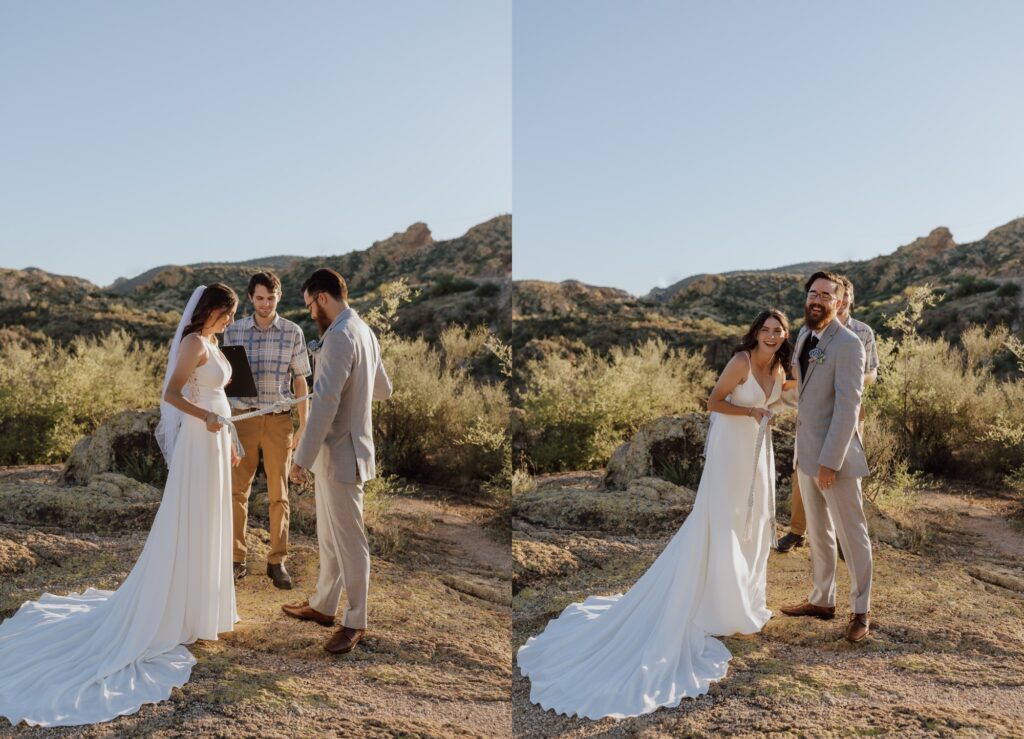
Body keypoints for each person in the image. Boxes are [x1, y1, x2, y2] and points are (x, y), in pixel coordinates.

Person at [517, 309, 792, 720]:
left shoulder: (781, 365)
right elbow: (713, 402)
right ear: (755, 332)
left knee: (748, 525)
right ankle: (713, 604)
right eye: (765, 330)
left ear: (784, 335)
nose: (770, 336)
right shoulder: (741, 361)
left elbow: (789, 394)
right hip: (731, 453)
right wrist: (751, 412)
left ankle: (739, 603)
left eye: (778, 331)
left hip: (757, 455)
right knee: (720, 524)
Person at [0, 284, 241, 728]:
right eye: (226, 314)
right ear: (209, 311)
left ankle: (201, 606)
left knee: (211, 520)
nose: (229, 321)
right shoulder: (191, 342)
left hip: (216, 439)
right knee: (190, 518)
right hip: (197, 438)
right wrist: (206, 418)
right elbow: (171, 394)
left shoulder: (213, 343)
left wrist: (229, 432)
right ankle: (176, 608)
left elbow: (218, 395)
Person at [281, 268, 393, 655]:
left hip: (342, 454)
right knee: (328, 536)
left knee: (349, 541)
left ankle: (355, 620)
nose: (311, 312)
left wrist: (299, 459)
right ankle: (323, 605)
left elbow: (325, 404)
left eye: (311, 304)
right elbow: (383, 390)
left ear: (323, 298)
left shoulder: (341, 337)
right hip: (343, 452)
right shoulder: (364, 331)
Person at [779, 271, 872, 643]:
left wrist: (829, 462)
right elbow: (803, 393)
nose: (817, 299)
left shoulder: (849, 344)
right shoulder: (805, 335)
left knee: (853, 536)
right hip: (806, 453)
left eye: (825, 295)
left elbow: (849, 407)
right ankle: (822, 599)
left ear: (839, 302)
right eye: (812, 293)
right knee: (818, 532)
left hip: (835, 460)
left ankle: (861, 611)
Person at [224, 271, 311, 589]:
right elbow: (225, 378)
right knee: (237, 493)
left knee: (279, 494)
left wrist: (304, 423)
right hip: (243, 419)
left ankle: (278, 561)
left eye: (271, 298)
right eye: (260, 298)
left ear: (279, 297)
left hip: (278, 420)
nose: (265, 303)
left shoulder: (292, 332)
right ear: (250, 298)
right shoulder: (234, 331)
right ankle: (236, 560)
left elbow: (301, 378)